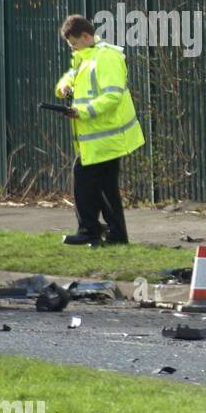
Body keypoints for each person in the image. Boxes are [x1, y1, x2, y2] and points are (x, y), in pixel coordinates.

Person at [54, 14, 145, 246]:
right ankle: (113, 233)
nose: (72, 48)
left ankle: (90, 230)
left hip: (106, 135)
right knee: (104, 187)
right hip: (98, 136)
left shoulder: (105, 57)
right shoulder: (86, 57)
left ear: (86, 36)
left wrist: (82, 112)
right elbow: (71, 76)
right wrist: (63, 86)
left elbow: (112, 96)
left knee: (87, 181)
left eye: (74, 43)